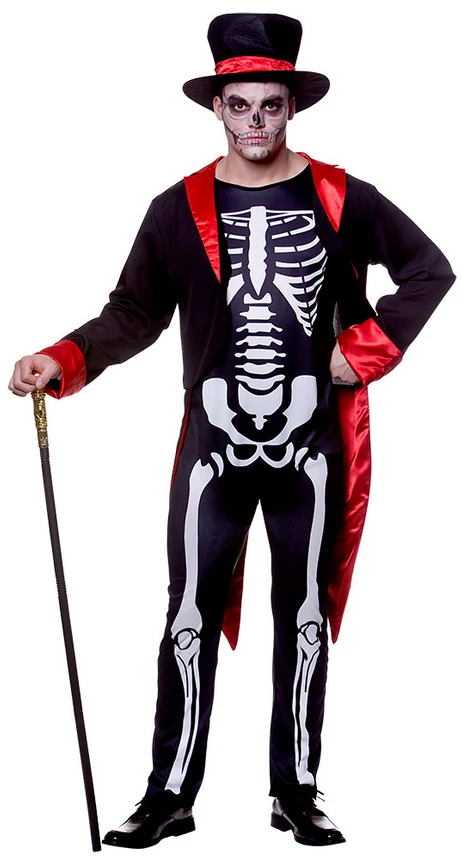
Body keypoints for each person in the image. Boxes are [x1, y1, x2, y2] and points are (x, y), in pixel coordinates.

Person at [8, 12, 455, 850]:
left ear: (293, 107)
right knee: (187, 613)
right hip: (211, 447)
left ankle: (297, 789)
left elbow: (430, 269)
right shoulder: (177, 209)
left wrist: (361, 352)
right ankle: (169, 793)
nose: (255, 121)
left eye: (270, 105)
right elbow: (133, 312)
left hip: (310, 446)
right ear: (217, 107)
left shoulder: (342, 197)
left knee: (306, 615)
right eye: (240, 105)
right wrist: (60, 358)